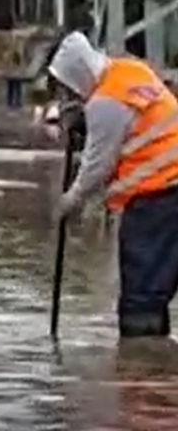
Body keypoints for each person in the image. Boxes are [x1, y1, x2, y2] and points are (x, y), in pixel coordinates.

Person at [49, 31, 178, 338]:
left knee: (140, 299)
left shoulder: (105, 102)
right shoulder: (129, 71)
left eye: (69, 90)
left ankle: (141, 373)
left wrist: (72, 199)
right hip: (170, 189)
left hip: (156, 197)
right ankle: (160, 368)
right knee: (154, 291)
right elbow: (134, 121)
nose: (70, 98)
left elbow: (98, 166)